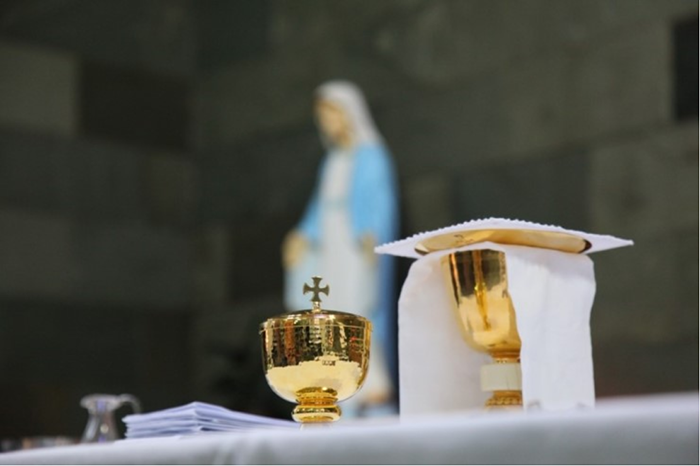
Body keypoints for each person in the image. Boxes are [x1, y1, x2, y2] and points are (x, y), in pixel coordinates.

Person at [282, 80, 399, 417]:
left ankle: (371, 383)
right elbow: (319, 209)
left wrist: (371, 234)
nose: (326, 122)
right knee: (329, 308)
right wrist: (302, 235)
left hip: (354, 247)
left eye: (330, 114)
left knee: (357, 306)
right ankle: (333, 382)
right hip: (330, 245)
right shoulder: (332, 161)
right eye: (322, 116)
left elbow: (379, 203)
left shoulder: (371, 156)